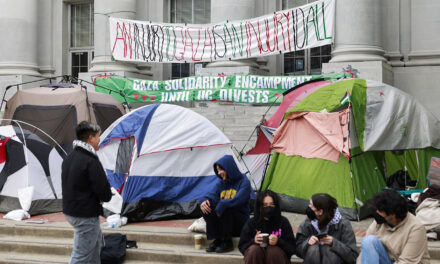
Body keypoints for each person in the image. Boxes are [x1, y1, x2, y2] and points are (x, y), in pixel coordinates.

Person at [62, 121, 112, 264]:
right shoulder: (90, 160)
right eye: (98, 136)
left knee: (96, 248)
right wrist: (108, 194)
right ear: (90, 138)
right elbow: (104, 193)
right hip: (85, 215)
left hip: (71, 211)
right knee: (80, 256)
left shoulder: (69, 158)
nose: (99, 140)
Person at [359, 189, 430, 264]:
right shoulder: (379, 222)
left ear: (392, 214)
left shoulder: (416, 228)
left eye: (380, 210)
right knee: (368, 241)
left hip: (407, 262)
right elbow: (364, 254)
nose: (377, 212)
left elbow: (406, 262)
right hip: (389, 260)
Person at [200, 154, 253, 253]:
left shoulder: (244, 182)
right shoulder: (221, 183)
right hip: (225, 223)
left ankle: (227, 242)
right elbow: (209, 194)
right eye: (217, 170)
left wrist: (222, 204)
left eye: (221, 169)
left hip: (240, 224)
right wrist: (203, 200)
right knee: (206, 205)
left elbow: (238, 199)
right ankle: (218, 239)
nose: (219, 173)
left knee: (226, 205)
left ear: (229, 168)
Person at [296, 193, 358, 264]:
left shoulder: (343, 224)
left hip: (334, 261)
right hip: (313, 259)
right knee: (313, 249)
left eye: (311, 205)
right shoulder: (307, 223)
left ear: (320, 212)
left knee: (328, 251)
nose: (308, 207)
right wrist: (307, 243)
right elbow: (297, 250)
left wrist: (334, 243)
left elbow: (352, 257)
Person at [238, 190, 296, 264]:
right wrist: (254, 241)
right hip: (256, 257)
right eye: (265, 205)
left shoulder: (283, 222)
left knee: (273, 251)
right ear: (259, 207)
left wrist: (278, 241)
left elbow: (292, 248)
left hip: (277, 258)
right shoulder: (251, 223)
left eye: (271, 204)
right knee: (254, 250)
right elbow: (242, 246)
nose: (268, 207)